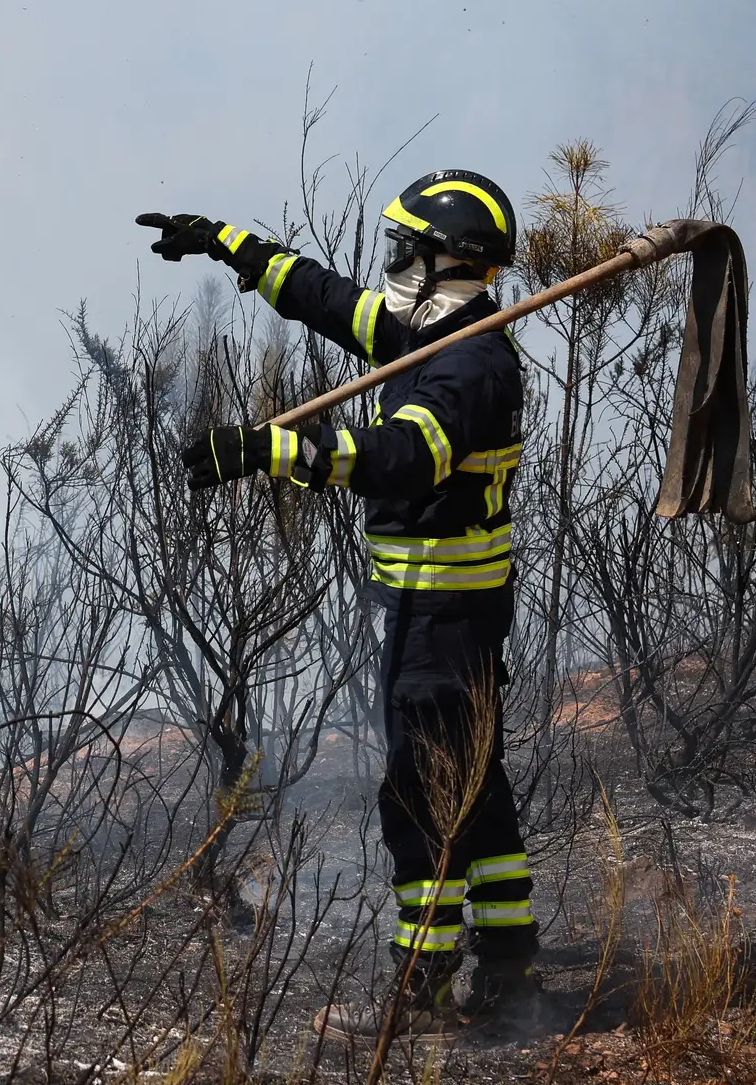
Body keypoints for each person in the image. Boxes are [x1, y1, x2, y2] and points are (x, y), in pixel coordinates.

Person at [138, 170, 540, 1043]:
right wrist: (225, 243)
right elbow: (327, 300)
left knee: (423, 794)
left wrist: (277, 449)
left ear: (450, 262)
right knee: (476, 781)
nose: (392, 262)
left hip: (444, 613)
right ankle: (510, 958)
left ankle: (422, 989)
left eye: (407, 248)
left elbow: (403, 457)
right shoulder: (428, 332)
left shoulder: (471, 363)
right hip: (451, 611)